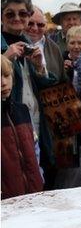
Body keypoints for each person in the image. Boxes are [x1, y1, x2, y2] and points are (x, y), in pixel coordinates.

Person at [1, 0, 58, 188]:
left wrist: (39, 67)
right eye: (10, 13)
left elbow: (46, 84)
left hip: (33, 122)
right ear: (1, 16)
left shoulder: (28, 44)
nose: (17, 18)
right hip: (7, 125)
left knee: (34, 178)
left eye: (23, 13)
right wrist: (5, 59)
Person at [1, 55, 44, 199]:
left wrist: (40, 177)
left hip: (33, 193)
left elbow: (34, 147)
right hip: (7, 200)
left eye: (7, 76)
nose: (3, 82)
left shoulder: (22, 110)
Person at [25, 6, 67, 83]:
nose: (35, 28)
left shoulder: (54, 47)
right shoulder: (12, 45)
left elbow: (63, 79)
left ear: (45, 26)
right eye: (30, 23)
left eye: (40, 25)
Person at [63, 25, 81, 91]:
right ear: (67, 44)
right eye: (72, 43)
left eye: (80, 43)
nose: (76, 47)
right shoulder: (60, 60)